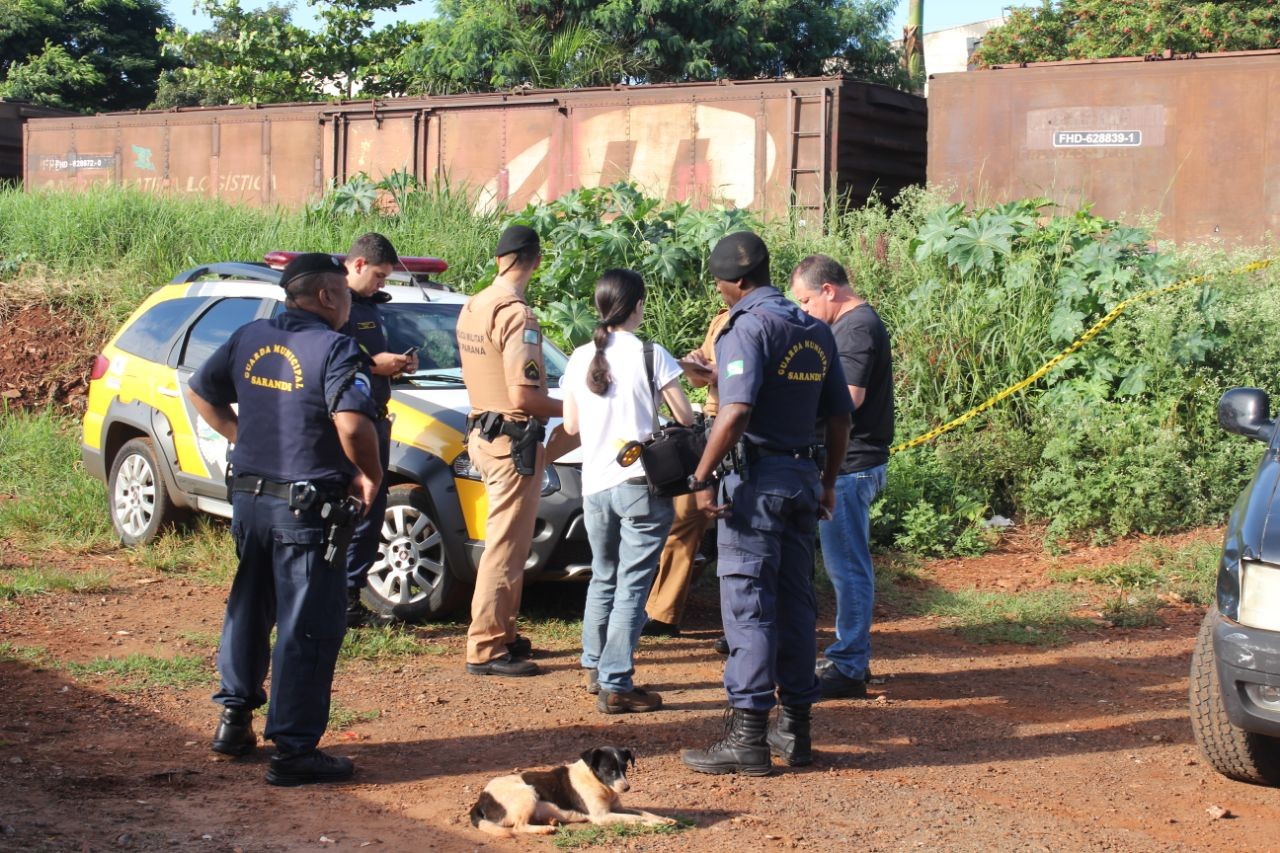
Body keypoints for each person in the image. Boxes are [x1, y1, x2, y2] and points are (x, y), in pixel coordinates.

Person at [187, 253, 382, 786]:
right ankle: (294, 750)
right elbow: (352, 423)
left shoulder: (250, 336)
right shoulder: (336, 347)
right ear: (326, 296)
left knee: (250, 606)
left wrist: (242, 437)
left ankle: (234, 720)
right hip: (307, 512)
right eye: (345, 294)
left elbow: (201, 391)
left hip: (251, 500)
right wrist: (369, 474)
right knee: (308, 623)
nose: (350, 304)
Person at [680, 231, 851, 776]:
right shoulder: (814, 330)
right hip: (802, 480)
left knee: (749, 604)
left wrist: (701, 476)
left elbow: (735, 411)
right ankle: (795, 730)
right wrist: (828, 481)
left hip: (755, 487)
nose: (721, 292)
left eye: (720, 285)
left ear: (736, 281)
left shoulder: (747, 327)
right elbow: (840, 417)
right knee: (796, 604)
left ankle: (748, 737)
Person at [562, 269, 694, 713]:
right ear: (637, 306)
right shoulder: (650, 354)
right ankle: (616, 682)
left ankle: (594, 665)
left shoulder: (580, 357)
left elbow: (571, 425)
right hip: (640, 482)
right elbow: (685, 417)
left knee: (603, 574)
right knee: (633, 585)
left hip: (594, 484)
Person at [456, 225, 561, 677]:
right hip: (512, 442)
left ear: (500, 259)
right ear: (535, 260)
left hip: (483, 434)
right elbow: (525, 397)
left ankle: (504, 632)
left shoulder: (474, 304)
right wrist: (578, 407)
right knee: (505, 547)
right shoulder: (517, 315)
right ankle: (486, 646)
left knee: (510, 544)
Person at [790, 254, 895, 699]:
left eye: (806, 300)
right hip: (848, 462)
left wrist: (789, 398)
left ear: (829, 290)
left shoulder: (856, 328)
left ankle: (850, 664)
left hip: (852, 465)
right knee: (843, 565)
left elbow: (848, 398)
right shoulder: (848, 326)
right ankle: (849, 655)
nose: (804, 310)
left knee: (848, 567)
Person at [341, 232, 419, 627]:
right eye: (379, 276)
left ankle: (348, 600)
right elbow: (329, 360)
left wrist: (397, 366)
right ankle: (340, 602)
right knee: (352, 509)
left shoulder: (370, 306)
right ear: (357, 264)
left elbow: (364, 358)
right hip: (346, 423)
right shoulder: (333, 304)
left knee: (370, 511)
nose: (381, 284)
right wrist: (375, 366)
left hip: (375, 417)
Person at [642, 308, 729, 640]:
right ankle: (662, 613)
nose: (720, 288)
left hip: (741, 422)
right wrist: (699, 367)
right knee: (684, 517)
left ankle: (743, 620)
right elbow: (697, 379)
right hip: (712, 425)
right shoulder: (721, 319)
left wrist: (720, 373)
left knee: (740, 526)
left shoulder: (762, 321)